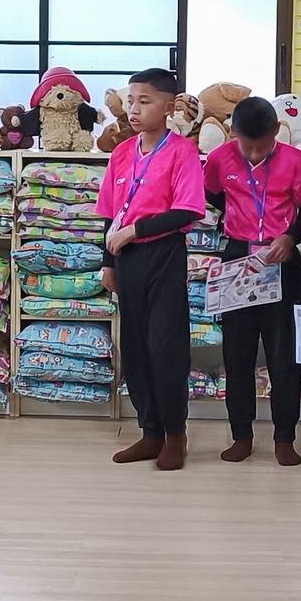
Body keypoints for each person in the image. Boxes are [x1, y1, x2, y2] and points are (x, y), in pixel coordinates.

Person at [97, 68, 205, 471]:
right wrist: (108, 263)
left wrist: (135, 231)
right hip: (126, 260)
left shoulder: (182, 151)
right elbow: (108, 213)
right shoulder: (122, 152)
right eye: (130, 101)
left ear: (168, 106)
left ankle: (176, 434)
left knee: (165, 346)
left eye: (144, 101)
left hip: (163, 255)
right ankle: (150, 432)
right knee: (136, 348)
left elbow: (187, 210)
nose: (134, 109)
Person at [203, 95, 301, 466]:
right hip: (239, 259)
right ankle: (242, 436)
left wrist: (289, 238)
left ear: (276, 132)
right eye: (246, 146)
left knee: (284, 354)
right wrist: (239, 220)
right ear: (233, 133)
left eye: (262, 147)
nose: (253, 154)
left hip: (282, 259)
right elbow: (211, 194)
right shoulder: (219, 159)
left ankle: (285, 437)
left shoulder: (295, 161)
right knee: (237, 355)